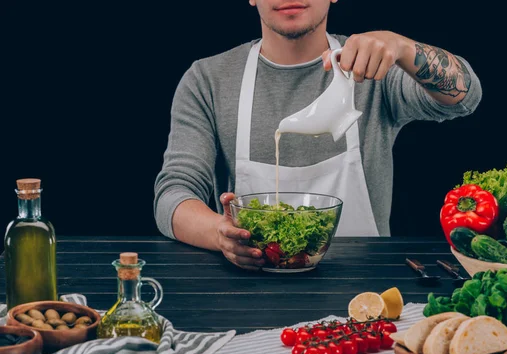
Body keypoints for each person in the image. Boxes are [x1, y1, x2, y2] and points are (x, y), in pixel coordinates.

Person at [153, 0, 482, 270]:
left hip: (367, 294)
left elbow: (465, 96)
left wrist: (401, 47)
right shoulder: (208, 81)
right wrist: (219, 234)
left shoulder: (374, 69)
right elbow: (173, 194)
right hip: (252, 292)